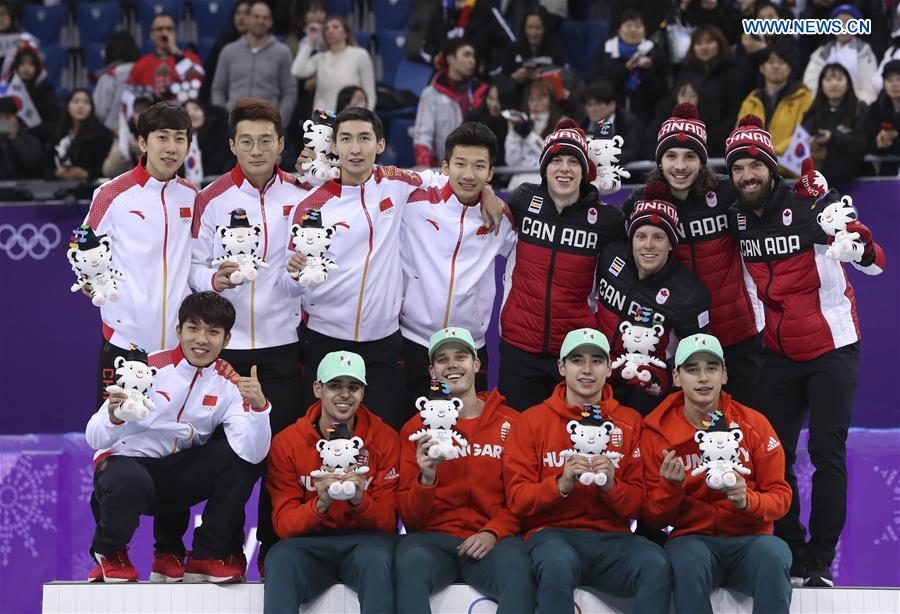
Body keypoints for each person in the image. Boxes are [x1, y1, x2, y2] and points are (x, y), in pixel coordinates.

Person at [725, 114, 886, 587]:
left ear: (772, 167)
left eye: (755, 166)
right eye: (738, 168)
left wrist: (859, 248)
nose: (747, 176)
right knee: (774, 453)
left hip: (832, 345)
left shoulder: (809, 203)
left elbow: (877, 264)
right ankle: (792, 551)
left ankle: (820, 559)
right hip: (777, 351)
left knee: (825, 452)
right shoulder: (736, 217)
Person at [190, 97, 314, 568]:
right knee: (230, 459)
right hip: (228, 351)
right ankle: (220, 550)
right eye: (247, 141)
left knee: (280, 457)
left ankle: (274, 549)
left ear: (281, 144)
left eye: (265, 140)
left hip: (283, 348)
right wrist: (214, 280)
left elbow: (300, 273)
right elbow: (191, 269)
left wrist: (298, 277)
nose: (257, 150)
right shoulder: (212, 198)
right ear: (232, 146)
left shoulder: (303, 195)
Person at [85, 292, 271, 583]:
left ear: (226, 339)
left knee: (239, 458)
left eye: (213, 332)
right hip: (124, 467)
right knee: (132, 481)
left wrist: (259, 408)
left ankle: (207, 554)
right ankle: (109, 550)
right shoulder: (147, 367)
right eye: (193, 328)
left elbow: (253, 454)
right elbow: (95, 438)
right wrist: (114, 417)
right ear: (179, 331)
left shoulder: (230, 384)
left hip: (175, 477)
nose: (201, 340)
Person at [503, 327, 671, 614]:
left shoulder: (629, 422)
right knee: (557, 563)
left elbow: (640, 503)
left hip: (613, 539)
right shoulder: (531, 421)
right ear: (561, 367)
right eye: (577, 360)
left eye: (596, 361)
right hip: (551, 535)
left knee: (656, 563)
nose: (587, 370)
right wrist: (560, 485)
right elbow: (517, 500)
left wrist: (612, 487)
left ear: (609, 368)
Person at [622, 103, 762, 410]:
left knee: (742, 422)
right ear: (660, 160)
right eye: (671, 156)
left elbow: (770, 195)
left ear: (702, 160)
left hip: (736, 333)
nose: (680, 166)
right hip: (676, 339)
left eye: (689, 156)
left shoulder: (726, 194)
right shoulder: (641, 202)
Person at [642, 333, 792, 614]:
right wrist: (671, 489)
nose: (703, 378)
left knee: (775, 554)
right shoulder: (656, 433)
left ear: (724, 375)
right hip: (692, 540)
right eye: (692, 369)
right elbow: (654, 517)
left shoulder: (754, 424)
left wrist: (748, 500)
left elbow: (781, 497)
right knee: (685, 559)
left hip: (751, 540)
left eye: (711, 368)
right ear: (676, 377)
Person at [396, 327, 534, 613]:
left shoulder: (512, 422)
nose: (452, 365)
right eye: (442, 359)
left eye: (460, 356)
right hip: (433, 541)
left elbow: (520, 498)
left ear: (476, 363)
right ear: (432, 372)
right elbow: (410, 519)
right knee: (408, 561)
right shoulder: (415, 429)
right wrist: (426, 479)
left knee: (520, 566)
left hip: (493, 540)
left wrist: (493, 532)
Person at [498, 119, 625, 411]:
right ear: (544, 168)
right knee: (520, 431)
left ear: (585, 170)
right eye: (556, 160)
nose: (564, 168)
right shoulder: (523, 199)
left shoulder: (607, 221)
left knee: (576, 434)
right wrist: (488, 198)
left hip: (575, 352)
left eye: (573, 162)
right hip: (520, 346)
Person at [80, 101, 198, 407]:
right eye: (162, 137)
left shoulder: (191, 195)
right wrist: (90, 279)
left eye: (180, 138)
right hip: (125, 343)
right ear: (143, 142)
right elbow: (82, 245)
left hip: (178, 347)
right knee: (116, 428)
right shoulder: (112, 193)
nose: (171, 147)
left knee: (174, 431)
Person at [263, 351, 399, 613]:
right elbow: (284, 526)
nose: (345, 394)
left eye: (354, 387)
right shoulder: (287, 443)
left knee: (379, 559)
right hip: (309, 544)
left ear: (363, 392)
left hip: (366, 543)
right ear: (318, 389)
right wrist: (321, 502)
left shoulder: (385, 439)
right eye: (335, 385)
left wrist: (359, 499)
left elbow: (388, 523)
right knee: (280, 558)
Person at [400, 122, 516, 410]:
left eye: (479, 166)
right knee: (412, 430)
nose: (468, 174)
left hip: (470, 348)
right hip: (414, 341)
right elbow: (369, 178)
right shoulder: (415, 199)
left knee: (470, 432)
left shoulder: (499, 217)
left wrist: (488, 195)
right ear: (445, 167)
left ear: (490, 173)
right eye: (460, 164)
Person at [595, 180, 711, 416]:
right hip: (598, 376)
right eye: (641, 236)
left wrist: (661, 379)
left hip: (647, 389)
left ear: (671, 244)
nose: (648, 245)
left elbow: (695, 355)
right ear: (631, 239)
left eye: (658, 237)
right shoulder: (609, 257)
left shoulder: (689, 294)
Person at [212, 0, 297, 123]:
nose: (260, 21)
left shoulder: (283, 52)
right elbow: (218, 88)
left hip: (267, 123)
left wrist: (280, 121)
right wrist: (223, 118)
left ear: (270, 22)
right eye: (256, 17)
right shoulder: (229, 51)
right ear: (247, 19)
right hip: (234, 123)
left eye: (265, 18)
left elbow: (290, 91)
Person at [736, 42, 813, 174]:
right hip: (755, 173)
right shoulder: (751, 100)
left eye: (782, 62)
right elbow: (739, 135)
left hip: (790, 173)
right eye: (770, 62)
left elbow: (803, 135)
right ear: (762, 68)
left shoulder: (804, 98)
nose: (776, 66)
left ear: (789, 68)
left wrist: (769, 152)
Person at [414, 38, 487, 168]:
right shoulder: (431, 94)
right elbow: (423, 136)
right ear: (450, 59)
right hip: (443, 169)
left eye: (473, 56)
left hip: (478, 167)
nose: (472, 61)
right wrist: (424, 167)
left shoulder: (482, 92)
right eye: (466, 55)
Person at [290, 15, 376, 114]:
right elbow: (297, 71)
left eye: (335, 27)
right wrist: (310, 41)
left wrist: (366, 117)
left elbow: (369, 95)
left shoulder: (360, 55)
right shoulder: (320, 57)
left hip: (350, 116)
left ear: (346, 33)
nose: (330, 30)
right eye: (327, 29)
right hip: (323, 117)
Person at [675, 25, 739, 157]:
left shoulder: (732, 72)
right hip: (689, 142)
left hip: (722, 146)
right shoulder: (685, 74)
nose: (704, 47)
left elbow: (734, 111)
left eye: (709, 42)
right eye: (698, 43)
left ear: (719, 44)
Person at [596, 10, 668, 124]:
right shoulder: (607, 52)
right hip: (611, 118)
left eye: (638, 27)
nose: (633, 30)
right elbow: (601, 88)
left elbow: (662, 93)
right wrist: (626, 69)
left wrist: (646, 71)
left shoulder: (655, 54)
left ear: (644, 31)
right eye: (628, 26)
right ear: (619, 30)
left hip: (647, 118)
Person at [801, 63, 868, 186]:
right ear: (821, 84)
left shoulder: (859, 109)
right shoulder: (813, 112)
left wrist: (832, 137)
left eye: (839, 79)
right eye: (828, 80)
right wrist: (810, 144)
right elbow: (801, 142)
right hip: (818, 182)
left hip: (857, 180)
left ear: (848, 84)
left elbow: (862, 142)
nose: (834, 84)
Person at [802, 4, 878, 105]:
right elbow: (810, 82)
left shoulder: (864, 51)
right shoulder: (822, 53)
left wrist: (860, 105)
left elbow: (870, 85)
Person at [420, 0, 515, 78]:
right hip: (444, 75)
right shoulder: (440, 10)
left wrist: (489, 68)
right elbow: (427, 45)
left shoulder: (486, 11)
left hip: (477, 79)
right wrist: (434, 58)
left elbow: (510, 44)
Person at [128, 13, 205, 101]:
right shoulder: (141, 65)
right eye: (159, 29)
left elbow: (197, 82)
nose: (164, 33)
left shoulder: (191, 58)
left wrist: (174, 50)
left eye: (169, 29)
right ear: (151, 35)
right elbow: (130, 96)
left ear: (175, 33)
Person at [503, 79, 562, 189]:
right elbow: (512, 162)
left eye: (540, 99)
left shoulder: (561, 124)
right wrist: (513, 134)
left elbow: (552, 156)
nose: (535, 103)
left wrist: (529, 136)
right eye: (532, 99)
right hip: (519, 180)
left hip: (546, 180)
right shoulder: (522, 122)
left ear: (551, 101)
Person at [50, 89, 114, 182]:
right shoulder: (58, 132)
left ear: (92, 107)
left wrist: (87, 174)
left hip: (91, 185)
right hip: (58, 185)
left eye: (86, 102)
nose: (80, 106)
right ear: (67, 105)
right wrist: (55, 172)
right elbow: (46, 164)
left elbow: (108, 168)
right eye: (76, 101)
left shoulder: (103, 134)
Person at [198, 0, 250, 104]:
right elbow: (210, 75)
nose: (241, 17)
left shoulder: (261, 46)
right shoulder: (223, 43)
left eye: (246, 13)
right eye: (238, 13)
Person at [8, 44, 60, 146]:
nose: (26, 68)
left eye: (31, 64)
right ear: (16, 68)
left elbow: (54, 130)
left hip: (36, 144)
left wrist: (27, 128)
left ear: (37, 68)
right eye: (22, 64)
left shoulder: (46, 92)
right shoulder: (8, 91)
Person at [579, 80, 642, 162]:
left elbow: (633, 152)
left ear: (612, 105)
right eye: (589, 105)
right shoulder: (582, 126)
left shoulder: (629, 123)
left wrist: (604, 159)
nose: (592, 109)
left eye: (597, 104)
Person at [93, 31, 141, 132]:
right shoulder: (146, 72)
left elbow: (99, 112)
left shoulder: (109, 76)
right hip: (146, 133)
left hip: (113, 134)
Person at [864, 59, 900, 175]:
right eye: (889, 80)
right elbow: (867, 141)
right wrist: (879, 143)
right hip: (888, 172)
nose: (895, 84)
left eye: (899, 79)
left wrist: (895, 138)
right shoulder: (876, 109)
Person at [182, 99, 234, 179]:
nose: (192, 113)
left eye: (196, 109)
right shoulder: (181, 141)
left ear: (204, 113)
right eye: (187, 111)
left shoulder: (218, 136)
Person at [0, 95, 42, 180]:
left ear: (16, 119)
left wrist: (13, 138)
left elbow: (32, 164)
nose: (3, 122)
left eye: (8, 117)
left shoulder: (30, 140)